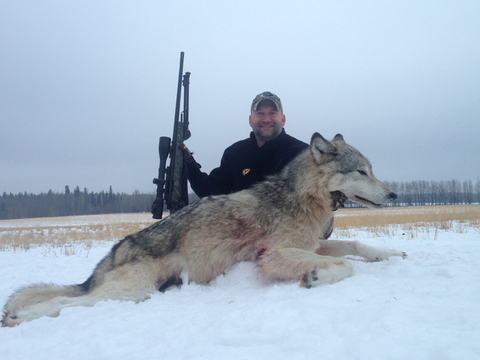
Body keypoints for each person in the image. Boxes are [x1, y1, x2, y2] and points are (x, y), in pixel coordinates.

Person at [186, 91, 308, 197]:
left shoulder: (303, 154)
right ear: (250, 120)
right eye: (260, 113)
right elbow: (213, 192)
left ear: (283, 119)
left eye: (272, 113)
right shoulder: (235, 153)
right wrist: (190, 165)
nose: (266, 119)